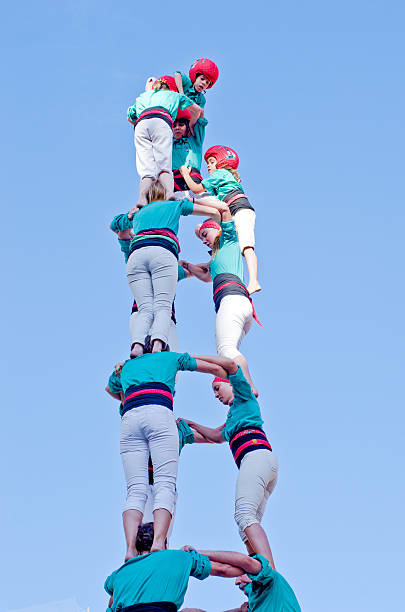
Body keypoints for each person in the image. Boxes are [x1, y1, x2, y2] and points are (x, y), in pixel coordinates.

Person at [106, 350, 228, 560]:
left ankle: (130, 551)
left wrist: (127, 399)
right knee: (165, 493)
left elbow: (111, 389)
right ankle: (157, 546)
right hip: (157, 489)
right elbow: (215, 437)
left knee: (134, 493)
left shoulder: (127, 387)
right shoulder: (173, 428)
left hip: (140, 472)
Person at [179, 355, 278, 567]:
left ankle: (269, 571)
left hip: (256, 456)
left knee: (244, 515)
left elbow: (232, 365)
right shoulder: (233, 416)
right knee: (246, 527)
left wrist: (187, 359)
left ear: (229, 385)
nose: (215, 395)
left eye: (217, 389)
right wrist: (191, 425)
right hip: (261, 462)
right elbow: (216, 436)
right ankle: (258, 573)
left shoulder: (244, 395)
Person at [110, 178, 226, 357]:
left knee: (145, 308)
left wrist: (129, 216)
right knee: (163, 306)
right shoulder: (175, 206)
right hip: (163, 253)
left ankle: (137, 346)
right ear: (167, 194)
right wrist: (222, 213)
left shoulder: (140, 212)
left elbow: (115, 225)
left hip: (137, 256)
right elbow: (208, 211)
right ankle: (158, 345)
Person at [180, 206, 258, 392]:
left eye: (205, 234)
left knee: (227, 350)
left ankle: (248, 386)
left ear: (217, 228)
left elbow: (225, 213)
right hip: (238, 303)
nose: (204, 240)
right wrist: (189, 266)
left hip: (232, 301)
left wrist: (198, 205)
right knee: (226, 351)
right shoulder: (217, 257)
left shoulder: (229, 239)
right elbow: (207, 275)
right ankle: (241, 387)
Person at [105, 523, 262, 612]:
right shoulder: (179, 557)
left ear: (138, 548)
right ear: (163, 544)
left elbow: (111, 606)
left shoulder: (118, 574)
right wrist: (254, 568)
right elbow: (224, 569)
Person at [179, 145, 260, 295]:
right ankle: (183, 200)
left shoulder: (221, 173)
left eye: (211, 162)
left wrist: (185, 174)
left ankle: (254, 281)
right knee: (227, 243)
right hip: (229, 209)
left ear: (222, 162)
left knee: (246, 246)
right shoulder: (220, 184)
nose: (208, 166)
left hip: (240, 208)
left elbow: (197, 189)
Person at [110, 224, 190, 352]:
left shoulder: (134, 257)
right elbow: (122, 233)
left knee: (145, 359)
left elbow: (121, 233)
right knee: (167, 362)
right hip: (164, 320)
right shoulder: (170, 266)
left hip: (142, 315)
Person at [127, 75, 203, 204]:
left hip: (141, 125)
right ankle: (169, 193)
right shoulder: (174, 95)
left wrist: (148, 93)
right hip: (161, 121)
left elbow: (130, 117)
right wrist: (190, 123)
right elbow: (198, 110)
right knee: (164, 166)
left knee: (146, 170)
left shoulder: (143, 97)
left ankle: (142, 198)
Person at [190, 550, 301, 612]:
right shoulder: (255, 605)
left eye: (240, 575)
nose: (236, 582)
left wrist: (195, 555)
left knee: (246, 519)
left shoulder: (269, 580)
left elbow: (242, 562)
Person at [172, 108, 207, 192]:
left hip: (193, 178)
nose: (177, 128)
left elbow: (200, 115)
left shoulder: (194, 140)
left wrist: (187, 102)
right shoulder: (168, 144)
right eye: (174, 126)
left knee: (198, 202)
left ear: (187, 127)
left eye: (181, 125)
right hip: (174, 181)